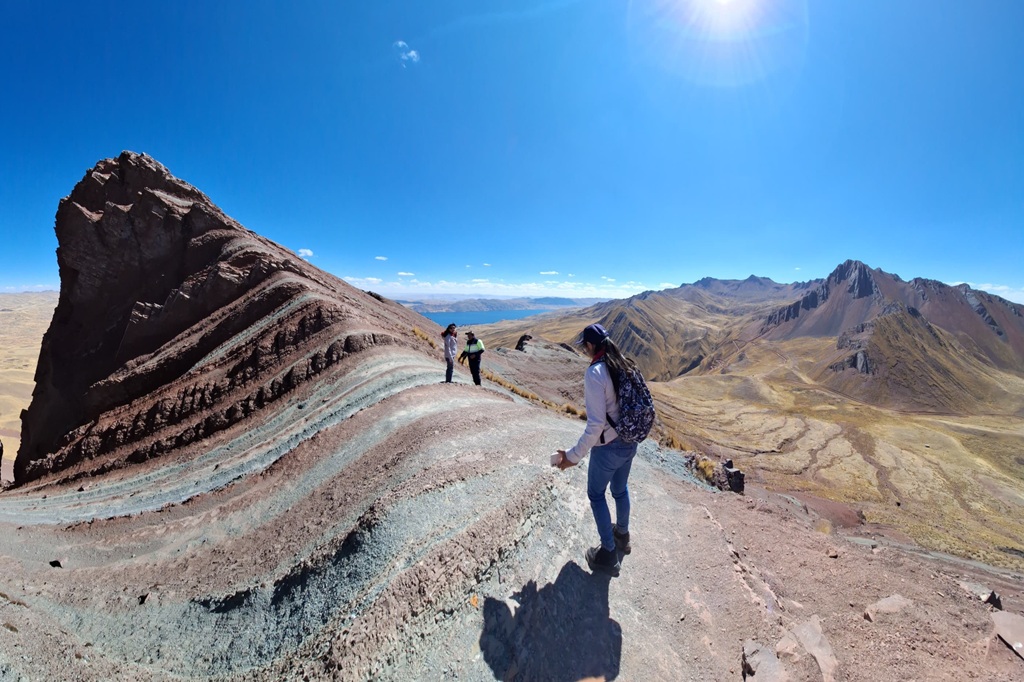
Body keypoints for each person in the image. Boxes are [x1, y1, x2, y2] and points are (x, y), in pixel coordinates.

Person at [553, 323, 637, 577]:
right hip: (629, 441)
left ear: (590, 346)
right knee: (620, 489)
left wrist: (572, 456)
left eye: (585, 347)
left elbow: (596, 424)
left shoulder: (596, 372)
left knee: (596, 495)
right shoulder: (623, 363)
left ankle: (608, 555)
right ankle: (622, 535)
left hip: (608, 447)